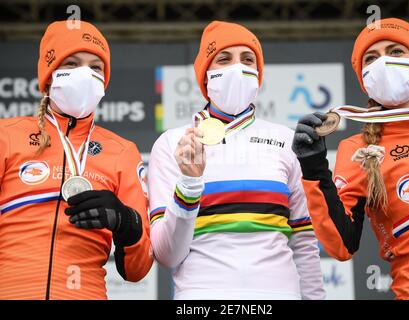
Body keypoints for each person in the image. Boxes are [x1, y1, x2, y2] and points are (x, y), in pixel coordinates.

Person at [149, 21, 325, 300]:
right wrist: (190, 185)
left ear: (258, 74)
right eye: (224, 59)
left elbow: (304, 240)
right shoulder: (173, 144)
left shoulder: (285, 140)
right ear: (205, 75)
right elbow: (167, 255)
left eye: (247, 59)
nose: (237, 68)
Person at [292, 18, 409, 299]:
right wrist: (314, 167)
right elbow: (342, 246)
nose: (384, 63)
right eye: (371, 58)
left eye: (396, 51)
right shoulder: (359, 148)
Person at [0, 20, 153, 300]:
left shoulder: (122, 151)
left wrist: (126, 222)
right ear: (49, 77)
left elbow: (137, 270)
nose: (85, 74)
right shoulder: (6, 136)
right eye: (71, 64)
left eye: (95, 67)